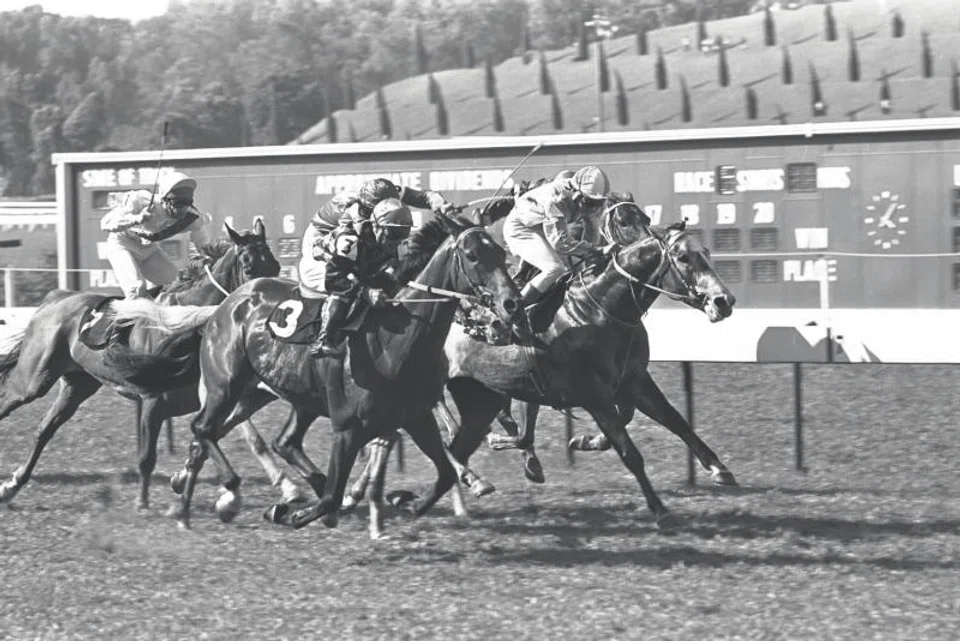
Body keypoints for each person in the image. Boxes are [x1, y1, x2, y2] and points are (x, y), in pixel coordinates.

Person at [299, 177, 453, 298]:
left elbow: (423, 196)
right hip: (320, 239)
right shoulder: (352, 211)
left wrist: (440, 204)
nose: (390, 207)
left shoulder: (388, 193)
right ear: (368, 209)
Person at [308, 198, 415, 358]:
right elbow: (335, 278)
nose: (398, 240)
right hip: (323, 261)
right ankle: (324, 339)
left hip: (355, 263)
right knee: (343, 294)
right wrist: (366, 292)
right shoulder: (349, 241)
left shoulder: (388, 240)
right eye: (394, 234)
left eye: (403, 233)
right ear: (377, 227)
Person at [501, 165, 610, 308]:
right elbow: (560, 242)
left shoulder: (595, 203)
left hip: (544, 226)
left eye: (598, 203)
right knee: (554, 268)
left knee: (577, 270)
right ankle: (515, 311)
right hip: (521, 228)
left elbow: (591, 232)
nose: (593, 208)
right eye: (589, 203)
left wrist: (591, 258)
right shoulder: (556, 200)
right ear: (576, 193)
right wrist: (598, 251)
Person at [100, 171, 211, 299]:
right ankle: (124, 318)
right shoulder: (140, 201)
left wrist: (210, 260)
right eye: (177, 204)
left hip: (149, 250)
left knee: (178, 286)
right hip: (122, 245)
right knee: (136, 289)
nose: (182, 210)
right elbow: (105, 223)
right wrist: (136, 219)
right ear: (165, 200)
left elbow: (202, 242)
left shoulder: (192, 217)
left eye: (187, 204)